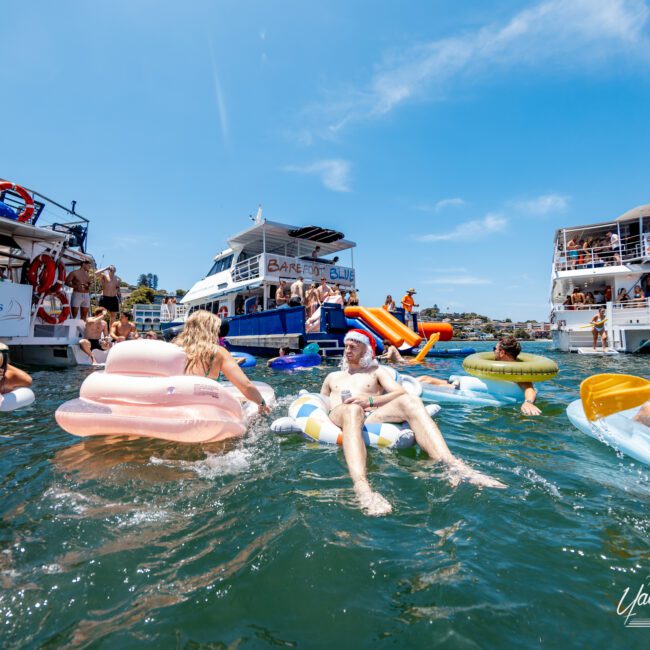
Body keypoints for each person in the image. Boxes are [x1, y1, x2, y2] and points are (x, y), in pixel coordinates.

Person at [320, 329, 504, 515]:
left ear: (366, 350)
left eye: (353, 346)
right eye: (346, 346)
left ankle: (454, 466)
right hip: (342, 414)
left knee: (412, 401)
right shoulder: (333, 377)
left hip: (371, 415)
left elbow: (400, 392)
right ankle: (362, 487)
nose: (347, 350)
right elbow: (320, 403)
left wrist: (370, 401)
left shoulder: (376, 372)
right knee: (353, 410)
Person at [173, 310, 270, 414]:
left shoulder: (174, 348)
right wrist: (262, 403)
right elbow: (245, 386)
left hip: (176, 408)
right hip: (205, 413)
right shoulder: (217, 352)